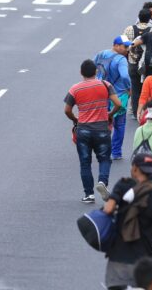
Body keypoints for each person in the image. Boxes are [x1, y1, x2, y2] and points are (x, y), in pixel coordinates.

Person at [102, 153, 152, 290]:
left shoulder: (123, 185)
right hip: (145, 258)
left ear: (135, 168)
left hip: (119, 255)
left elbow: (108, 209)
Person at [64, 59, 121, 203]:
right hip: (102, 128)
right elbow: (118, 104)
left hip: (83, 130)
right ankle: (102, 181)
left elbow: (67, 110)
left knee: (85, 162)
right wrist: (110, 114)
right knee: (104, 158)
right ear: (96, 72)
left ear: (81, 73)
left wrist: (76, 119)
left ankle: (89, 194)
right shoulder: (105, 85)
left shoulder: (75, 89)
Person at [94, 35, 132, 160]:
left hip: (101, 93)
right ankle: (116, 152)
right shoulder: (121, 59)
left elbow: (92, 67)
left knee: (103, 123)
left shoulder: (101, 54)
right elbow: (125, 76)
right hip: (119, 95)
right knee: (119, 125)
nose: (127, 49)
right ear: (116, 45)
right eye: (125, 46)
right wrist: (129, 88)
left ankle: (102, 151)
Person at [124, 9, 152, 119]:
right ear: (149, 19)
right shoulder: (151, 31)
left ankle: (136, 112)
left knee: (135, 87)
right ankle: (145, 111)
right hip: (146, 64)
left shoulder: (129, 29)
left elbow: (124, 44)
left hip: (132, 62)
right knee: (146, 88)